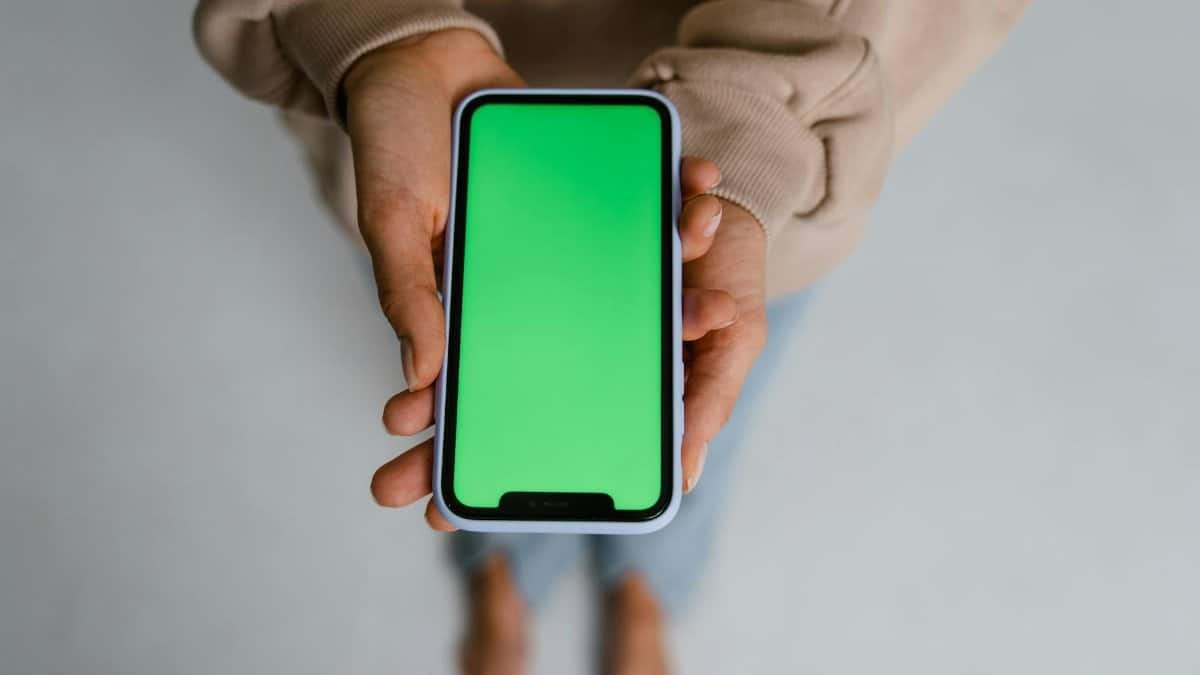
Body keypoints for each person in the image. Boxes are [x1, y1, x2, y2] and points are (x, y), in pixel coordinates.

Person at [193, 2, 1026, 672]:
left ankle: (639, 587)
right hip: (425, 147)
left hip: (765, 159)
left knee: (679, 402)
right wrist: (375, 27)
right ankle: (508, 575)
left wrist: (761, 108)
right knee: (468, 357)